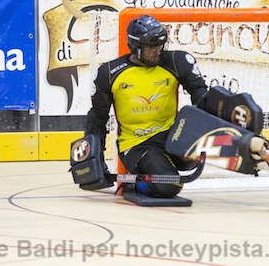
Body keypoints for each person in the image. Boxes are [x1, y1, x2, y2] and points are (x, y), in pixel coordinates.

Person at [86, 15, 208, 198]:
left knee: (197, 150)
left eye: (160, 45)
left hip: (171, 136)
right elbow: (97, 119)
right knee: (169, 186)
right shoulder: (109, 74)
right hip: (137, 144)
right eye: (152, 47)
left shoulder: (177, 62)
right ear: (135, 47)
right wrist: (95, 159)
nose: (158, 51)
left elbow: (202, 98)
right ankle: (134, 185)